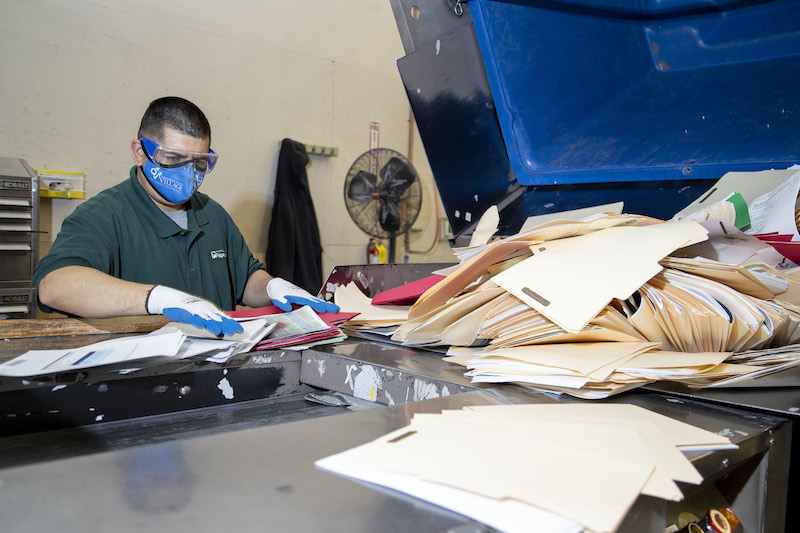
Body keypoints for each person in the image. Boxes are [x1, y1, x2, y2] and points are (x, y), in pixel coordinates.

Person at [34, 96, 338, 336]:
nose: (187, 172)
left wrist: (272, 287)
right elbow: (55, 286)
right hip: (137, 379)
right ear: (140, 152)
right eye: (173, 158)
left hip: (215, 370)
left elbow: (245, 279)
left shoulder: (212, 214)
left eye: (200, 162)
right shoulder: (104, 215)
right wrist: (157, 299)